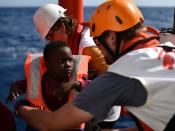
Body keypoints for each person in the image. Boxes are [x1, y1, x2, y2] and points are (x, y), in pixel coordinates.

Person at [13, 0, 175, 130]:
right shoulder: (167, 48)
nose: (98, 48)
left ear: (111, 37)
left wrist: (20, 107)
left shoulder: (121, 71)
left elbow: (50, 124)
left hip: (101, 103)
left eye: (98, 41)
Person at [7, 3, 120, 130]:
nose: (49, 41)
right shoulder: (64, 44)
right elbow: (49, 75)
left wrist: (78, 84)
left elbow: (112, 81)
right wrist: (23, 85)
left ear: (61, 26)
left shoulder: (88, 46)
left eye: (49, 36)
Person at [13, 40, 90, 131]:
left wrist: (74, 84)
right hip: (40, 124)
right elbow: (26, 83)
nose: (68, 65)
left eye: (70, 60)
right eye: (62, 61)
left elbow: (95, 87)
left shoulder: (77, 80)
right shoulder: (39, 79)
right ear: (47, 63)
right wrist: (17, 86)